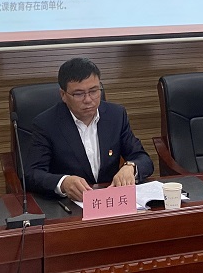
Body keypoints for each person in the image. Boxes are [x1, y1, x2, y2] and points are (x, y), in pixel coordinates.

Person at [25, 57, 154, 201]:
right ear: (63, 95)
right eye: (79, 94)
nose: (88, 100)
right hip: (69, 204)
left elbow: (143, 159)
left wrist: (131, 167)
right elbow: (32, 174)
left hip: (109, 200)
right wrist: (63, 183)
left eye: (93, 91)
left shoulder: (116, 115)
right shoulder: (46, 124)